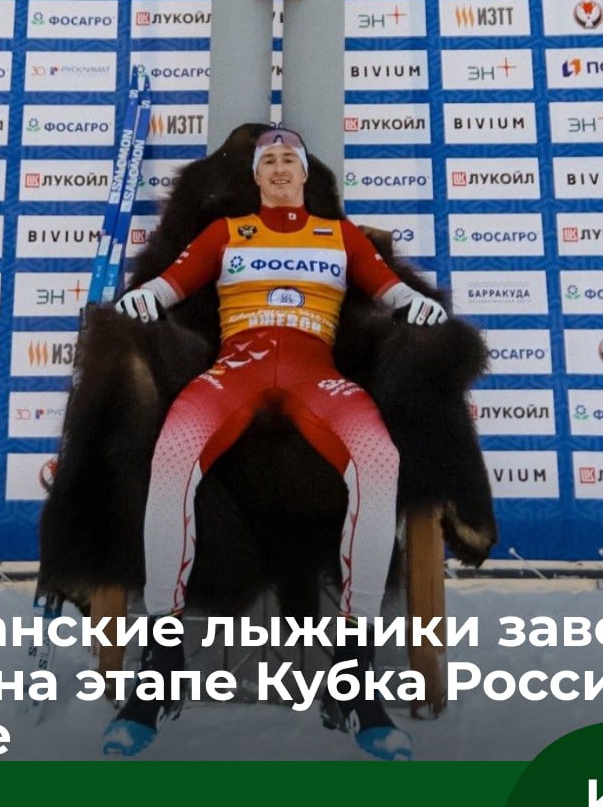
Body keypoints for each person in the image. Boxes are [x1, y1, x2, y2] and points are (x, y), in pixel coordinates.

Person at [103, 127, 448, 760]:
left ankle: (353, 677)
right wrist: (143, 298)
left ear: (306, 175)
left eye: (292, 159)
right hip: (237, 367)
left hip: (316, 373)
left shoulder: (339, 235)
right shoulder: (227, 231)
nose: (282, 169)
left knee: (379, 461)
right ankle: (160, 667)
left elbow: (389, 287)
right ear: (257, 177)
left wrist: (414, 304)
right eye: (270, 161)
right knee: (171, 458)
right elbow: (172, 283)